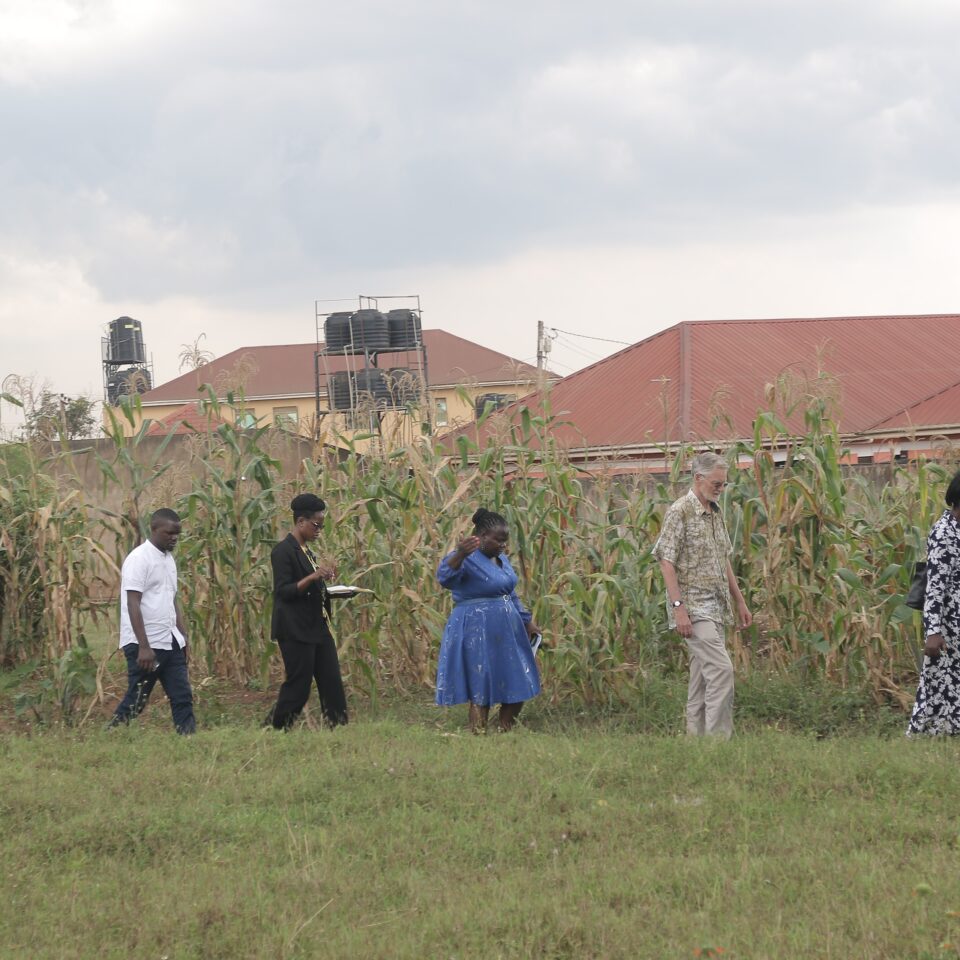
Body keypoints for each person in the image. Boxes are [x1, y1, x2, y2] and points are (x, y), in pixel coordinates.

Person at [653, 452, 752, 738]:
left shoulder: (715, 513)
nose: (721, 489)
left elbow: (723, 560)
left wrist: (740, 601)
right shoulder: (680, 511)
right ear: (698, 479)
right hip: (693, 608)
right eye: (717, 484)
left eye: (723, 484)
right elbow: (665, 560)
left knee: (702, 679)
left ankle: (694, 742)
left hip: (717, 607)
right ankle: (718, 743)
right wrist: (678, 608)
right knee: (722, 671)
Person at [435, 507, 542, 733]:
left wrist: (526, 620)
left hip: (506, 628)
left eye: (505, 540)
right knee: (480, 678)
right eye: (498, 540)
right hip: (476, 627)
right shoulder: (465, 558)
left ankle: (504, 729)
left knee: (518, 677)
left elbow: (509, 592)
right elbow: (445, 577)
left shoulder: (501, 559)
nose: (503, 545)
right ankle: (479, 731)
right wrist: (460, 554)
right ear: (481, 537)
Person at [110, 508, 196, 734]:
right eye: (169, 533)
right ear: (155, 529)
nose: (174, 538)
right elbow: (133, 603)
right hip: (146, 646)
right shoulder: (139, 559)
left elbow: (172, 600)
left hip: (170, 642)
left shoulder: (169, 560)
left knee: (182, 696)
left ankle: (188, 740)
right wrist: (144, 647)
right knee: (137, 699)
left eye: (177, 533)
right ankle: (111, 735)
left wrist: (183, 637)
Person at [266, 493, 348, 730]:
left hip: (317, 627)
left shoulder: (306, 552)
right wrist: (313, 576)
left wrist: (329, 585)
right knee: (298, 687)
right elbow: (284, 591)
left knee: (332, 681)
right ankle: (275, 729)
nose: (319, 530)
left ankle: (339, 728)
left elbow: (312, 588)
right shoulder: (283, 551)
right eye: (316, 525)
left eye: (322, 526)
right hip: (295, 629)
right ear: (300, 521)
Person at [907, 471, 960, 736]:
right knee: (938, 684)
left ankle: (945, 733)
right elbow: (935, 588)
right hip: (949, 627)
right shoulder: (944, 533)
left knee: (948, 685)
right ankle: (924, 733)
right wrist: (933, 633)